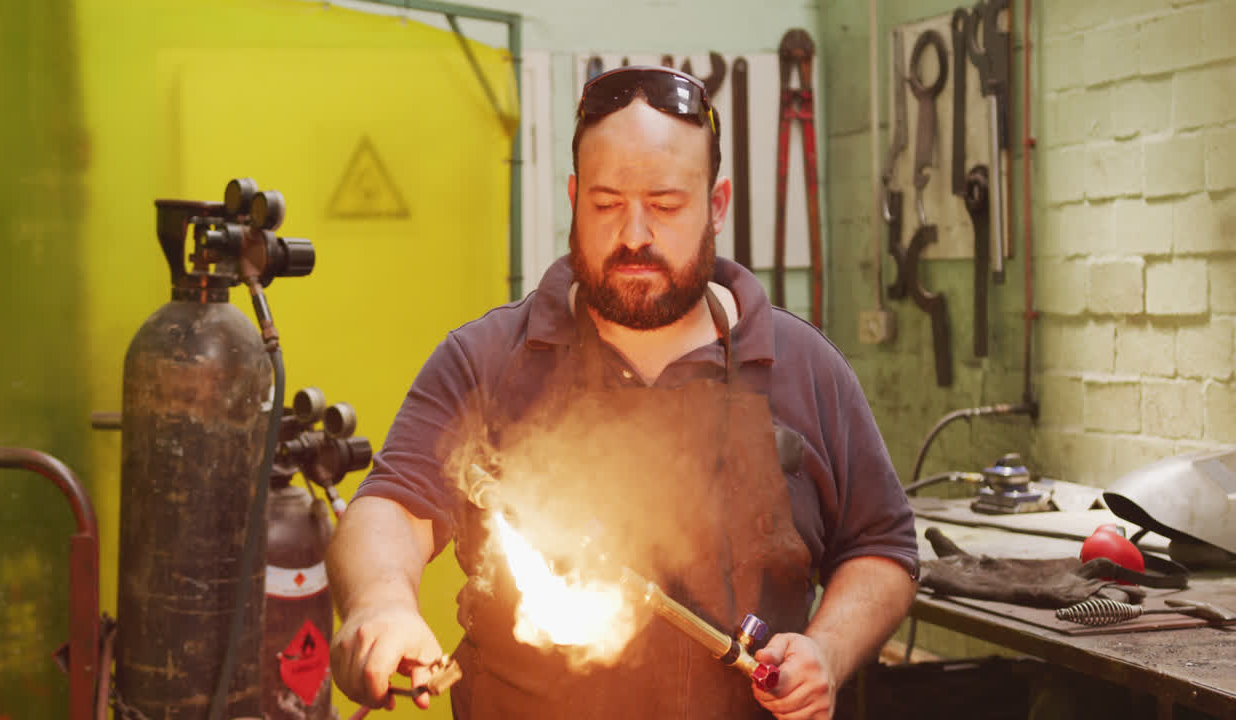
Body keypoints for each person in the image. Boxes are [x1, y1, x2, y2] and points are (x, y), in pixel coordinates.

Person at [328, 65, 919, 720]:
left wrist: (828, 652)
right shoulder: (488, 359)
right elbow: (391, 506)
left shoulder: (803, 366)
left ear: (716, 204)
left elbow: (880, 548)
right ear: (576, 197)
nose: (635, 233)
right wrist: (381, 603)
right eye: (607, 204)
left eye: (665, 205)